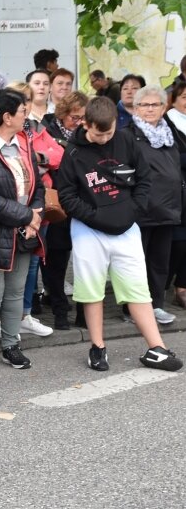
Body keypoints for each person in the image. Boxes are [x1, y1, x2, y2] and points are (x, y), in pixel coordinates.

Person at [57, 96, 183, 372]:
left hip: (126, 228)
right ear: (86, 124)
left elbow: (144, 180)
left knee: (138, 288)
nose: (104, 139)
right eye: (99, 133)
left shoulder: (126, 140)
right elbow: (66, 196)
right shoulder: (74, 152)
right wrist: (95, 217)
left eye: (109, 132)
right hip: (88, 230)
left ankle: (156, 348)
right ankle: (98, 346)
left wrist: (132, 212)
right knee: (92, 291)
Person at [0, 89, 44, 373]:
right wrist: (27, 216)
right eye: (21, 111)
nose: (25, 115)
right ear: (6, 117)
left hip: (25, 230)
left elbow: (37, 185)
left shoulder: (24, 142)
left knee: (16, 291)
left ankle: (11, 345)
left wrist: (34, 217)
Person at [120, 86, 182, 325]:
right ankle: (132, 308)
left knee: (159, 262)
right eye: (144, 105)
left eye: (155, 104)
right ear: (136, 108)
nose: (150, 109)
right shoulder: (127, 134)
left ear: (164, 107)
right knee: (136, 262)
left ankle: (155, 305)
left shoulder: (170, 133)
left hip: (168, 208)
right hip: (141, 210)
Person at [8, 81, 58, 338]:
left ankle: (24, 314)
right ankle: (5, 320)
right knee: (7, 269)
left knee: (31, 265)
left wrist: (41, 158)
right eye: (21, 101)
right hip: (11, 211)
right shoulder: (0, 134)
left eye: (27, 100)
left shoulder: (36, 128)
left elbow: (59, 154)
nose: (25, 106)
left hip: (37, 209)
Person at [41, 91, 90, 330]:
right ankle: (60, 311)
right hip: (59, 204)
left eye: (83, 117)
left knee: (84, 263)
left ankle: (83, 314)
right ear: (63, 114)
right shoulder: (49, 131)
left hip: (82, 205)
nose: (79, 122)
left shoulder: (89, 136)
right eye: (74, 117)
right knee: (56, 263)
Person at [165, 81, 186, 307]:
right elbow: (173, 157)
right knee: (178, 243)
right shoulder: (168, 123)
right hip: (177, 191)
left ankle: (182, 288)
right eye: (184, 97)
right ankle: (162, 286)